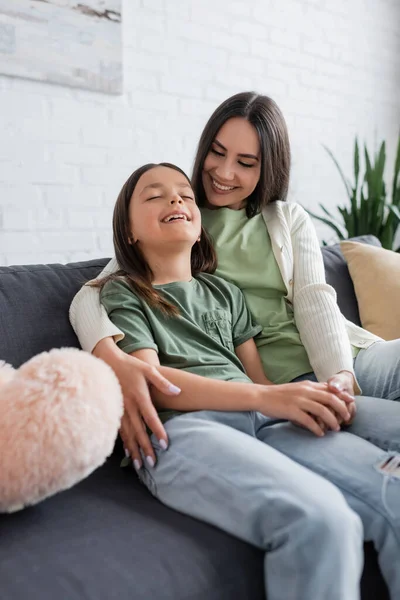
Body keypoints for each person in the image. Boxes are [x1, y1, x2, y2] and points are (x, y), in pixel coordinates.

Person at [94, 161, 400, 600]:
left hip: (261, 421)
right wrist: (271, 398)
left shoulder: (225, 293)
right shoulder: (124, 291)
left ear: (200, 227)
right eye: (154, 195)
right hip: (183, 429)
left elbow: (256, 379)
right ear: (128, 231)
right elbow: (154, 380)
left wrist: (295, 399)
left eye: (183, 192)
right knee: (321, 521)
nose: (176, 198)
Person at [69, 91, 400, 467]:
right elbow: (93, 292)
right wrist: (113, 357)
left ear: (267, 169)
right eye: (217, 152)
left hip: (345, 358)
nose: (225, 173)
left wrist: (339, 376)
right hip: (278, 381)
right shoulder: (182, 219)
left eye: (245, 162)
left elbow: (314, 298)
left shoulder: (286, 218)